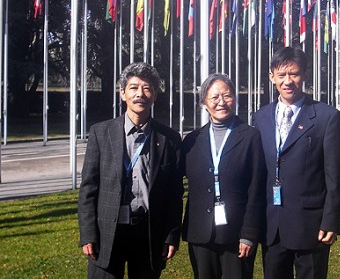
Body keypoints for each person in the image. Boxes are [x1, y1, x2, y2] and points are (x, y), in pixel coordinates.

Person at [78, 62, 183, 279]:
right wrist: (88, 233)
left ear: (154, 95)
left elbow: (174, 193)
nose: (140, 94)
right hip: (107, 231)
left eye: (147, 88)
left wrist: (171, 235)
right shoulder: (100, 133)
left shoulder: (169, 139)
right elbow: (89, 188)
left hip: (148, 232)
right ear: (123, 93)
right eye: (133, 88)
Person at [253, 46, 340, 279]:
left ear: (304, 75)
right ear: (271, 76)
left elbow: (335, 176)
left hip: (312, 226)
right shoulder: (261, 117)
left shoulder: (327, 117)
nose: (288, 81)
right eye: (282, 75)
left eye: (294, 74)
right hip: (272, 226)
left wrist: (331, 220)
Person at [182, 73, 267, 279]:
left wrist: (249, 234)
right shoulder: (192, 141)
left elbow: (257, 188)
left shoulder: (250, 137)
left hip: (237, 234)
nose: (221, 102)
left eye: (227, 96)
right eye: (215, 97)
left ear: (235, 99)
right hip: (201, 232)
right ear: (204, 102)